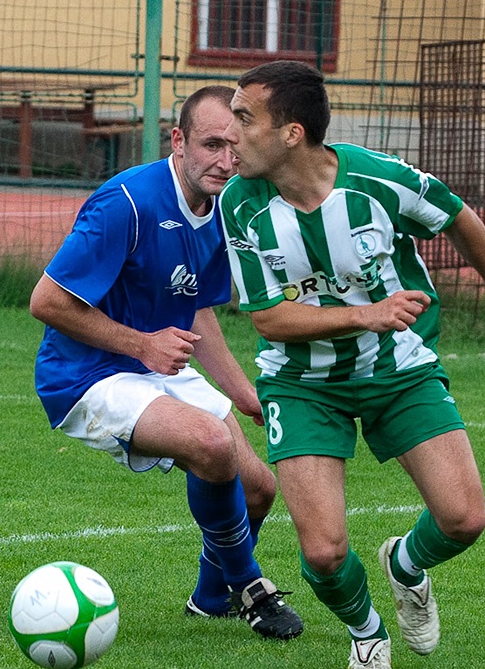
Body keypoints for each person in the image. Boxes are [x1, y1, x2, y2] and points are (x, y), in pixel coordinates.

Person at [219, 60, 485, 669]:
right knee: (323, 551)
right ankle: (367, 632)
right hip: (302, 382)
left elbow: (457, 215)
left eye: (243, 118)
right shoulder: (243, 204)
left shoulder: (379, 181)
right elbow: (269, 319)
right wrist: (365, 314)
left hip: (399, 368)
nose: (230, 133)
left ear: (291, 133)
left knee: (464, 520)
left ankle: (405, 567)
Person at [30, 85, 303, 641]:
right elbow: (46, 302)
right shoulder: (126, 202)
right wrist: (141, 345)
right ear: (178, 141)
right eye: (211, 144)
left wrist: (244, 393)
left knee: (258, 490)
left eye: (236, 146)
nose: (225, 161)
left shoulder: (224, 208)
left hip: (156, 364)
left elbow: (197, 312)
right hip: (84, 376)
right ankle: (251, 587)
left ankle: (209, 599)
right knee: (210, 444)